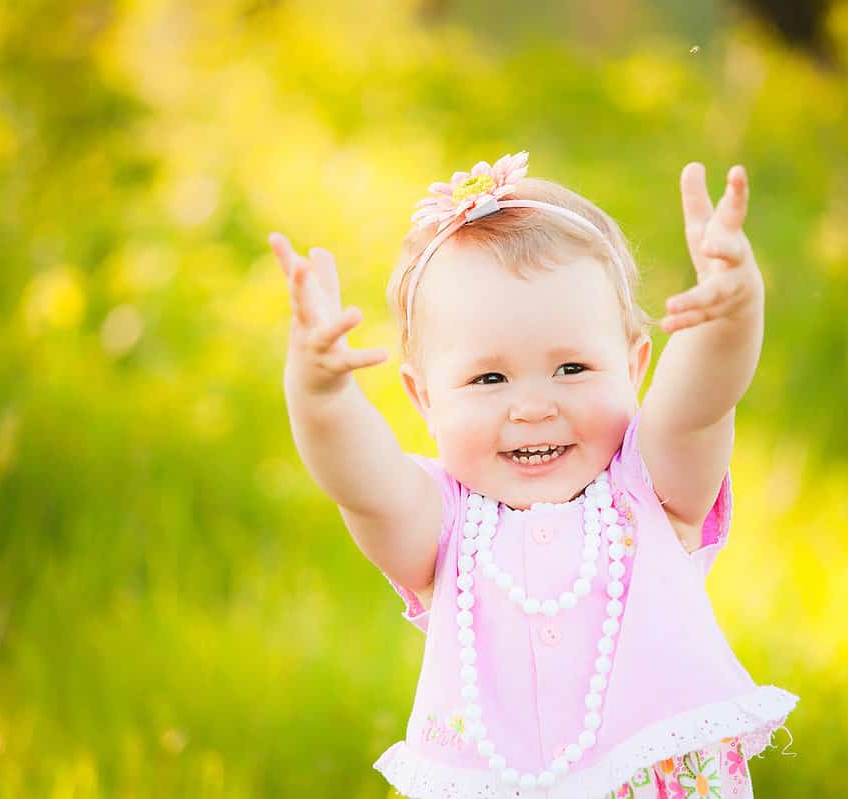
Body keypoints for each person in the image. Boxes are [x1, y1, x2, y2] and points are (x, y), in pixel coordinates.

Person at [270, 151, 798, 799]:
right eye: (489, 377)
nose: (534, 405)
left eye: (572, 368)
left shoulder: (648, 485)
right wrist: (321, 396)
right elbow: (361, 483)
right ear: (425, 398)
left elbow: (700, 402)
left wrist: (731, 317)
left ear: (633, 367)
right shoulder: (444, 523)